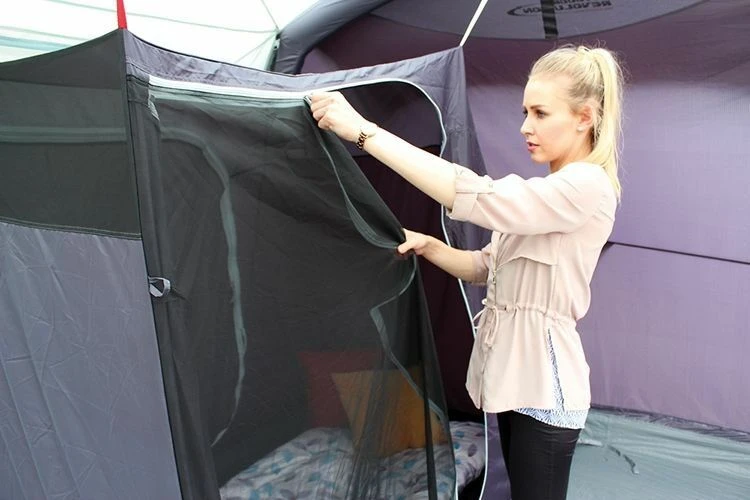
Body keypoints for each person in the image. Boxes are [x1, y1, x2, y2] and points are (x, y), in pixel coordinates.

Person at [309, 44, 624, 500]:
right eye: (525, 112)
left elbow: (478, 195)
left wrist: (363, 132)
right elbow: (485, 267)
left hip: (546, 387)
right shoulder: (550, 192)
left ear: (584, 117)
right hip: (516, 379)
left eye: (540, 113)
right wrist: (433, 246)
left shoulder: (587, 186)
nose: (525, 126)